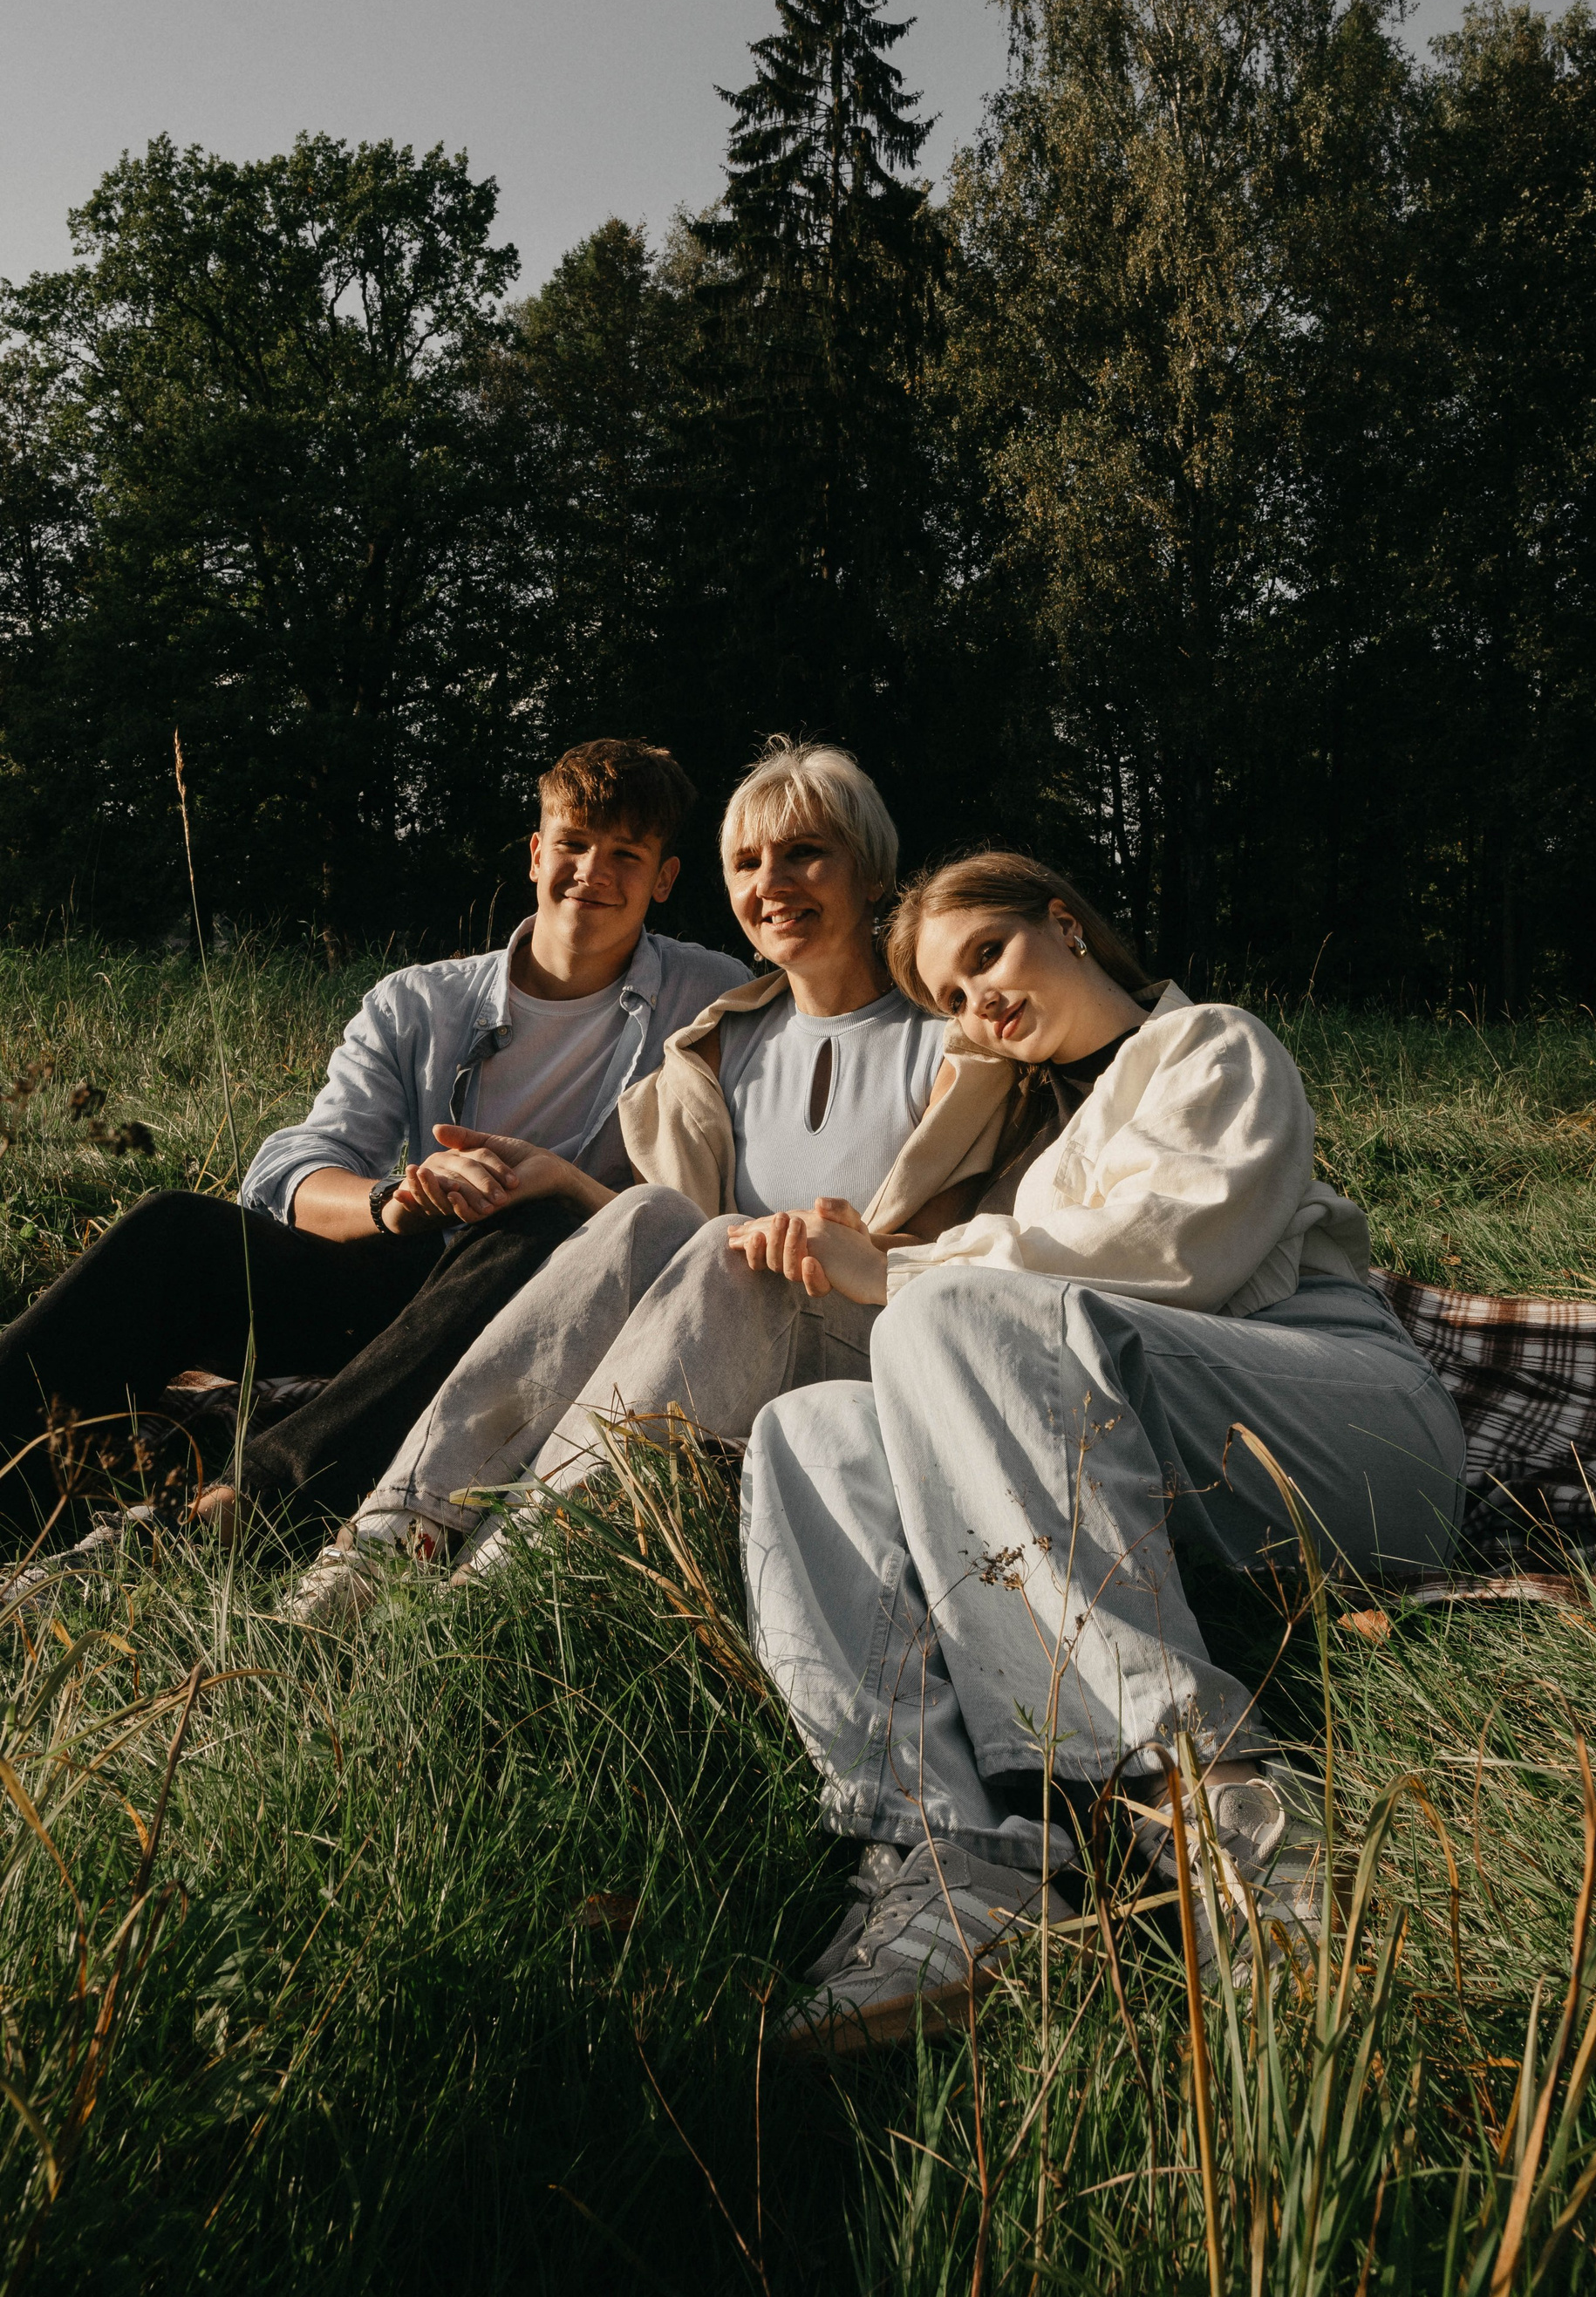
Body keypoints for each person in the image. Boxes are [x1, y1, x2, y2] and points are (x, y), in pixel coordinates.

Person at [730, 851, 1469, 2052]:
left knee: (941, 1314)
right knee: (804, 1431)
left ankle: (1207, 1796)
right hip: (1178, 1459)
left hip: (1351, 1427)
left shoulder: (1210, 1045)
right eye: (953, 999)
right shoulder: (1044, 1143)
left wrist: (906, 1267)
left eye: (989, 954)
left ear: (1066, 923)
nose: (981, 1001)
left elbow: (1177, 1253)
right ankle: (952, 1858)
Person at [291, 740, 1015, 1620]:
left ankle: (499, 1588)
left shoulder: (954, 1044)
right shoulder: (719, 1043)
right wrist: (564, 1181)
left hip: (867, 1364)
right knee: (645, 1212)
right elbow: (676, 1257)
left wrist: (837, 1247)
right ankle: (387, 1540)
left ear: (871, 873)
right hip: (714, 1361)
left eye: (805, 853)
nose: (772, 883)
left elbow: (954, 1258)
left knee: (725, 1251)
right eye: (747, 863)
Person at [0, 739, 746, 1586]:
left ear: (664, 879)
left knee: (535, 1225)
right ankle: (15, 1478)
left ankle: (243, 1511)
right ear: (537, 853)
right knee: (177, 1230)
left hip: (548, 1312)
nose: (591, 874)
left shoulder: (712, 995)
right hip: (401, 1284)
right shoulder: (421, 1001)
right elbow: (297, 1167)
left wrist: (559, 1188)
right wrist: (397, 1201)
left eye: (626, 856)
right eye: (573, 844)